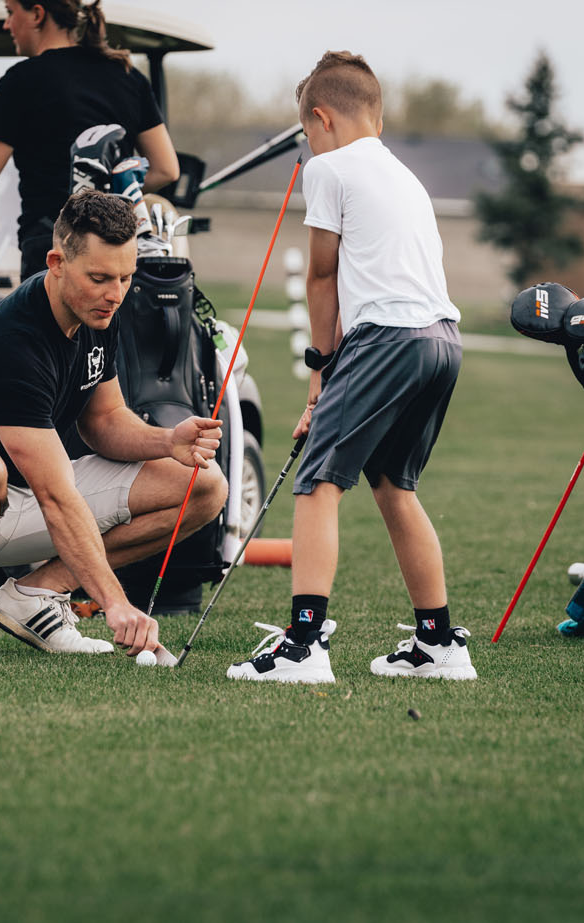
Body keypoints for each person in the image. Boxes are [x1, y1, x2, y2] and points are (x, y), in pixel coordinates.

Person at [0, 191, 226, 658]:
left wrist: (167, 440)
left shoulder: (99, 311)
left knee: (204, 486)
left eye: (126, 277)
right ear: (56, 262)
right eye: (100, 278)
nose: (116, 294)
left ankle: (36, 595)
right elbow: (56, 497)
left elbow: (103, 421)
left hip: (26, 498)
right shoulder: (14, 342)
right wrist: (116, 604)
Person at [226, 51, 476, 684]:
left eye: (308, 135)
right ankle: (438, 643)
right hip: (442, 340)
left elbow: (320, 276)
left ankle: (303, 647)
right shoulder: (406, 176)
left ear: (321, 118)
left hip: (387, 338)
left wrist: (318, 376)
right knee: (394, 484)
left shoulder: (329, 168)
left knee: (317, 481)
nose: (309, 147)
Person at [0, 0, 180, 286]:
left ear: (38, 14)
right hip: (115, 253)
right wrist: (109, 199)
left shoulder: (21, 81)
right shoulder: (128, 76)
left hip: (51, 253)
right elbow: (166, 169)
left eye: (10, 12)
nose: (6, 25)